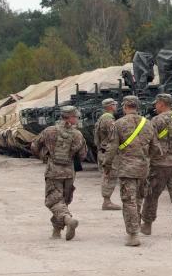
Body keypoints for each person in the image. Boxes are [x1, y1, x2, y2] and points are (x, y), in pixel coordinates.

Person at [103, 95, 160, 247]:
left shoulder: (119, 124)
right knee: (139, 199)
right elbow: (155, 147)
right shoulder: (148, 124)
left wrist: (106, 166)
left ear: (125, 107)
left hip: (126, 168)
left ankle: (133, 234)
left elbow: (112, 148)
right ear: (137, 107)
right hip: (143, 168)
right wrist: (146, 158)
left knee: (128, 201)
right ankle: (137, 225)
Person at [30, 105, 87, 241]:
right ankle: (56, 232)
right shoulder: (78, 134)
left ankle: (67, 220)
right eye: (76, 117)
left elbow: (34, 146)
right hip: (69, 172)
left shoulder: (49, 131)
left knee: (53, 201)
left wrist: (44, 157)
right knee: (63, 201)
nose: (77, 119)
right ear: (70, 118)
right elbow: (83, 155)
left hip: (53, 171)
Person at [141, 93, 172, 238]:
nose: (156, 106)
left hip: (160, 163)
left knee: (152, 194)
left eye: (157, 104)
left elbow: (150, 140)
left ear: (161, 104)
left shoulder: (157, 120)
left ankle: (147, 224)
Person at [94, 98, 121, 211]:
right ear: (111, 107)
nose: (116, 106)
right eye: (114, 104)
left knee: (106, 174)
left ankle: (107, 200)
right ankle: (107, 201)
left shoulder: (101, 119)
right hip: (108, 151)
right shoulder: (109, 120)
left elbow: (96, 138)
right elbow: (113, 138)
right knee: (109, 176)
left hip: (102, 149)